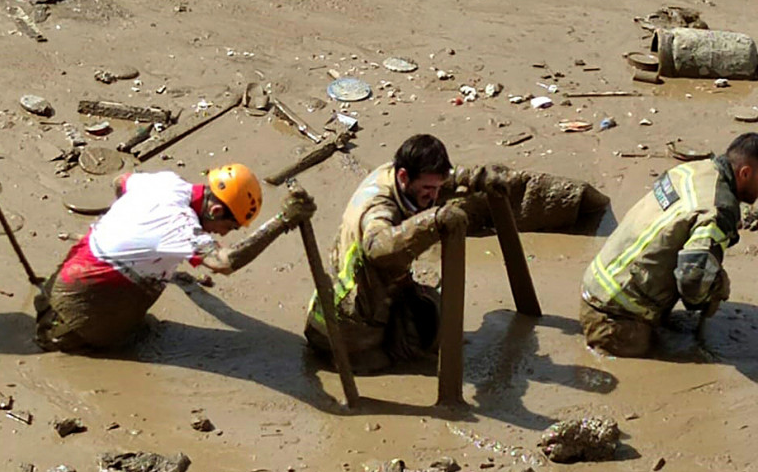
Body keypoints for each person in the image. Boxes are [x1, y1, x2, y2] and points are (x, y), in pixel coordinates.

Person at [34, 164, 316, 352]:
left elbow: (120, 181)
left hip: (61, 284)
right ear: (216, 211)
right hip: (79, 317)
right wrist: (282, 222)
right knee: (139, 341)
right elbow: (224, 262)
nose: (224, 234)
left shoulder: (167, 182)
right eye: (229, 227)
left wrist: (129, 223)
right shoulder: (179, 225)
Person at [304, 133, 511, 372]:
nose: (433, 196)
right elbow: (379, 248)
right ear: (404, 177)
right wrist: (432, 221)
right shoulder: (378, 209)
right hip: (346, 322)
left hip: (351, 297)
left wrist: (477, 178)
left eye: (437, 189)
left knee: (432, 309)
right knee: (412, 348)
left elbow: (444, 180)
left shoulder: (395, 174)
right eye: (426, 189)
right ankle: (355, 356)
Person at [580, 134, 758, 357]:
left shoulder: (693, 170)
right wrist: (708, 295)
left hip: (596, 285)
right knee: (713, 280)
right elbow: (693, 280)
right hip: (617, 320)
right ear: (745, 173)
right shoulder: (718, 210)